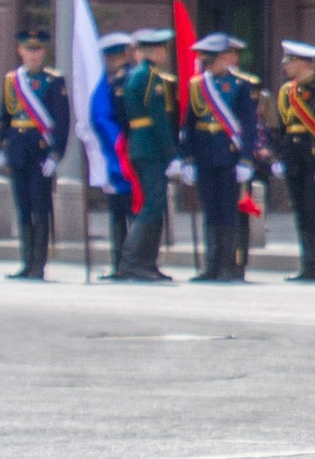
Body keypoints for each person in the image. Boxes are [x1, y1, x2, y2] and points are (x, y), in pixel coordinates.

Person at [0, 27, 71, 280]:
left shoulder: (54, 81)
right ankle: (26, 262)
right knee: (23, 206)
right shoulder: (12, 80)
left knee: (40, 206)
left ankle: (39, 264)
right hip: (17, 148)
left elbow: (62, 121)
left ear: (44, 52)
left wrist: (56, 154)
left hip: (40, 150)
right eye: (28, 49)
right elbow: (4, 115)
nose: (33, 55)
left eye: (37, 50)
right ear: (20, 51)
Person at [181, 32, 262, 282]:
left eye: (211, 60)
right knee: (210, 210)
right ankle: (211, 265)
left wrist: (246, 159)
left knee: (227, 210)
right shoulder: (197, 85)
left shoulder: (240, 85)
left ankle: (228, 265)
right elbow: (189, 124)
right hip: (204, 153)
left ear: (223, 58)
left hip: (229, 154)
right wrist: (187, 158)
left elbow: (248, 125)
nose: (207, 65)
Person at [268, 41, 315, 286]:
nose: (285, 66)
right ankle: (307, 265)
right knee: (300, 212)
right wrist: (279, 157)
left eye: (289, 61)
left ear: (303, 62)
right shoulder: (286, 91)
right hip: (294, 158)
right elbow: (283, 129)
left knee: (314, 211)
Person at [110, 31, 178, 282]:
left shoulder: (135, 74)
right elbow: (158, 119)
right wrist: (171, 154)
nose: (165, 55)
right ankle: (133, 261)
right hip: (151, 146)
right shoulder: (150, 77)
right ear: (156, 51)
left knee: (152, 203)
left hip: (140, 144)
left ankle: (146, 262)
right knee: (153, 204)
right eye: (163, 50)